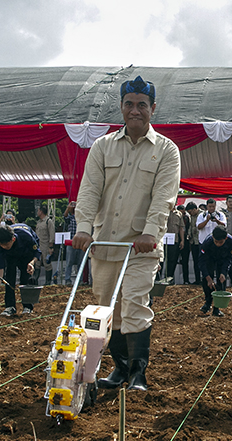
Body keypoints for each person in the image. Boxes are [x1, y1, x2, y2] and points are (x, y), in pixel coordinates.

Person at [72, 76, 181, 392]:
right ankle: (119, 368)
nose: (135, 110)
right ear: (121, 107)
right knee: (109, 308)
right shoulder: (103, 146)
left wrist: (150, 232)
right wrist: (83, 229)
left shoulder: (166, 151)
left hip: (140, 248)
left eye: (142, 105)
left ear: (153, 109)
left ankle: (138, 373)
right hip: (105, 243)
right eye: (129, 104)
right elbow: (90, 189)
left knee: (134, 303)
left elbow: (164, 196)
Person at [0, 223, 41, 317]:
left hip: (26, 254)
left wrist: (32, 263)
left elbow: (37, 252)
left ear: (13, 239)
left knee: (25, 278)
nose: (4, 247)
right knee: (9, 278)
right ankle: (10, 306)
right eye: (1, 245)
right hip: (11, 257)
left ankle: (28, 306)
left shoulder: (26, 236)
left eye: (6, 245)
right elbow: (0, 267)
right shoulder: (0, 245)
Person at [198, 226, 232, 316]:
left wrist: (224, 272)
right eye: (216, 242)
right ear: (213, 237)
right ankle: (207, 302)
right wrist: (208, 278)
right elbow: (201, 261)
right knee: (207, 280)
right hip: (209, 259)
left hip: (222, 260)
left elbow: (228, 258)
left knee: (221, 280)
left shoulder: (231, 242)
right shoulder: (207, 242)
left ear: (225, 238)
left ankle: (217, 307)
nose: (218, 244)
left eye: (221, 242)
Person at [34, 204, 55, 285]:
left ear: (41, 211)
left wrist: (51, 247)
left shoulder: (48, 221)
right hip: (38, 246)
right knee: (37, 264)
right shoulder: (38, 222)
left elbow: (51, 234)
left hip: (45, 245)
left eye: (38, 210)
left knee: (47, 264)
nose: (37, 212)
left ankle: (48, 282)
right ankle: (35, 281)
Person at [164, 203, 185, 283]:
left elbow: (181, 228)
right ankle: (157, 279)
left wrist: (182, 240)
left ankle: (170, 278)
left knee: (172, 260)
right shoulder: (164, 211)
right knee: (162, 260)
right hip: (163, 240)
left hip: (174, 240)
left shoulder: (179, 214)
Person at [63, 201, 82, 286]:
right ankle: (67, 279)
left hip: (80, 242)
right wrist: (68, 207)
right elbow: (65, 216)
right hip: (71, 242)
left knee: (80, 262)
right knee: (69, 262)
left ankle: (80, 280)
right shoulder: (70, 218)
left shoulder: (81, 218)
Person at [185, 202, 202, 284]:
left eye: (190, 212)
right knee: (195, 262)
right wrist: (189, 234)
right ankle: (197, 280)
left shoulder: (203, 214)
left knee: (203, 261)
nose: (190, 214)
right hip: (194, 242)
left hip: (201, 241)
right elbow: (191, 227)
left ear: (195, 209)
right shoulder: (191, 216)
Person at [177, 204, 192, 284]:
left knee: (185, 261)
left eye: (184, 213)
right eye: (181, 213)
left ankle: (186, 280)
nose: (183, 215)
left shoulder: (187, 218)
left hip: (185, 241)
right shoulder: (174, 217)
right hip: (175, 240)